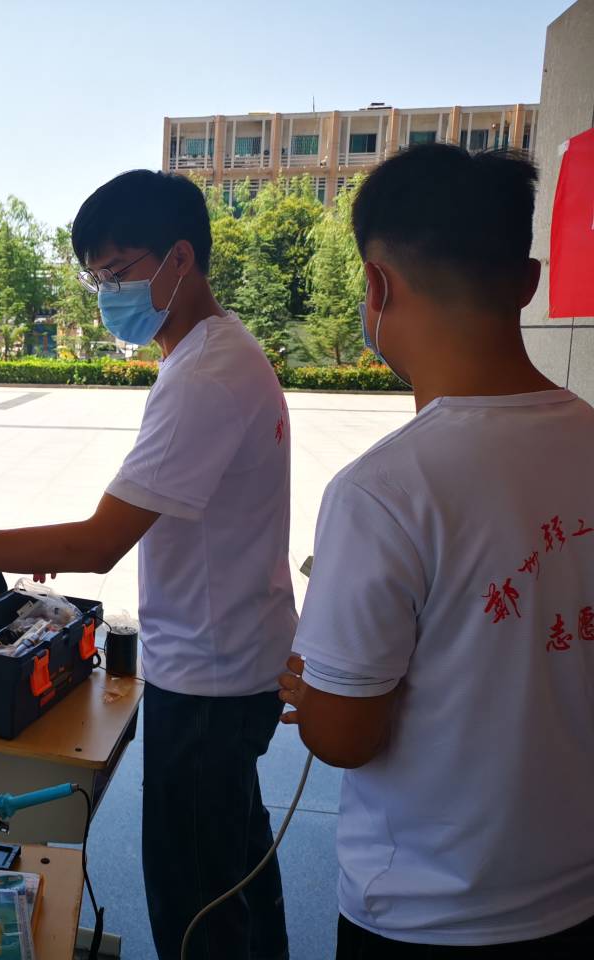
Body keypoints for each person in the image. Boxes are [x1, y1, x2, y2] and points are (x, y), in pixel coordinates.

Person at [0, 170, 296, 959]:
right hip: (232, 660)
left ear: (180, 258)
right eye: (96, 278)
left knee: (196, 896)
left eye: (117, 272)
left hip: (212, 679)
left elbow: (96, 544)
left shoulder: (205, 375)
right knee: (236, 865)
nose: (107, 293)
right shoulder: (213, 354)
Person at [278, 144, 594, 957]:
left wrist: (314, 691)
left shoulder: (383, 490)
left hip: (429, 914)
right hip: (578, 890)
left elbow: (345, 737)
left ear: (376, 287)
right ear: (527, 283)